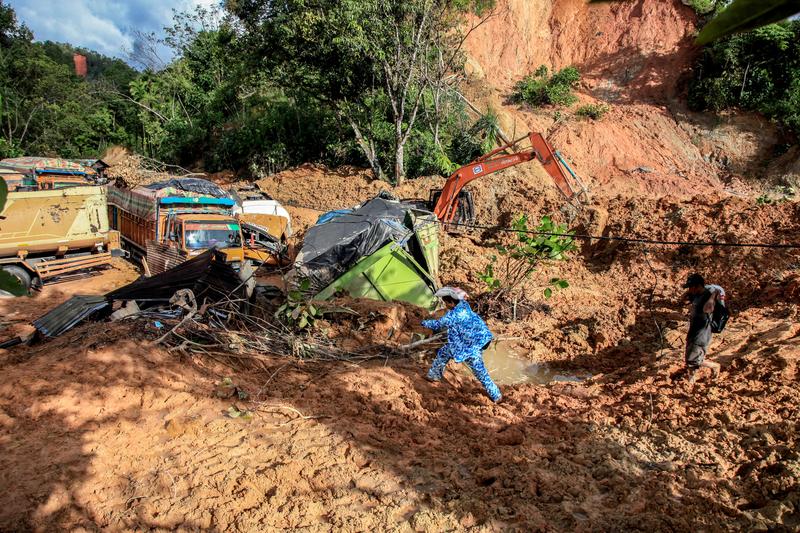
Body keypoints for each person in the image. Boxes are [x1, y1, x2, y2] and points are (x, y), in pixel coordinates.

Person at [422, 287, 502, 403]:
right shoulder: (464, 305)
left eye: (446, 303)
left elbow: (438, 324)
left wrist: (423, 322)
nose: (446, 305)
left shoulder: (454, 315)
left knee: (479, 370)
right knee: (444, 351)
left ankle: (496, 395)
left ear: (451, 302)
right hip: (481, 338)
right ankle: (433, 375)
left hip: (471, 344)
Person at [683, 273, 722, 383]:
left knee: (693, 361)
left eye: (691, 287)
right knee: (690, 360)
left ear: (698, 286)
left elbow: (707, 309)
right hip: (693, 331)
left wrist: (713, 296)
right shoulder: (696, 295)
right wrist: (689, 292)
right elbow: (683, 300)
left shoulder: (708, 295)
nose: (690, 289)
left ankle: (714, 366)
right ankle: (691, 380)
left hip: (701, 333)